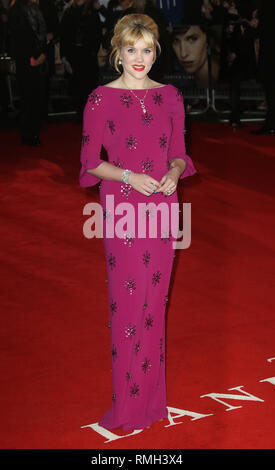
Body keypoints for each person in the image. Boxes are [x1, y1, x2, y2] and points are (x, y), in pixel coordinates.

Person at [79, 13, 197, 431]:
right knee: (130, 305)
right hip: (124, 213)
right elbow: (90, 164)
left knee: (154, 306)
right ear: (117, 52)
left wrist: (173, 172)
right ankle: (127, 407)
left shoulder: (170, 97)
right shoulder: (100, 99)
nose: (139, 58)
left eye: (147, 49)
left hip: (163, 210)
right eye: (131, 49)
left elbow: (180, 152)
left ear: (156, 51)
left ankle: (150, 402)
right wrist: (129, 175)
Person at [8, 0, 48, 145]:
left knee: (37, 96)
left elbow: (42, 34)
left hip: (38, 58)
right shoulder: (17, 10)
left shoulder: (35, 8)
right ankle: (28, 134)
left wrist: (43, 54)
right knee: (28, 97)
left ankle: (34, 130)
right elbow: (19, 38)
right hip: (25, 60)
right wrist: (31, 57)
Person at [59, 0, 102, 122]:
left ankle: (91, 114)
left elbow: (97, 33)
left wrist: (93, 50)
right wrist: (64, 55)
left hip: (88, 55)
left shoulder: (91, 11)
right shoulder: (69, 12)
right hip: (73, 54)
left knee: (89, 86)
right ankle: (80, 113)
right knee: (76, 86)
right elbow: (63, 35)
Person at [251, 0, 275, 135]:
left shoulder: (266, 8)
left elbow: (261, 31)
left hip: (270, 56)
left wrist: (255, 24)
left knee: (271, 91)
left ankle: (270, 124)